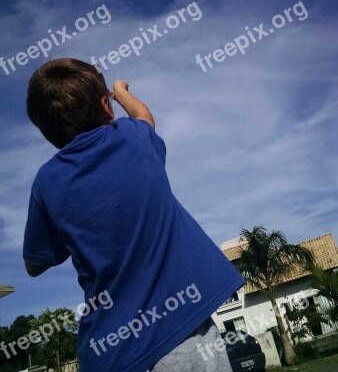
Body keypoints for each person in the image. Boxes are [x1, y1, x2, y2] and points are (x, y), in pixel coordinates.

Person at [23, 58, 245, 372]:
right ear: (106, 106)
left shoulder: (46, 182)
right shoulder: (133, 137)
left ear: (45, 129)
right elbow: (143, 115)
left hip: (107, 354)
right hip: (178, 337)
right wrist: (120, 90)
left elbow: (34, 264)